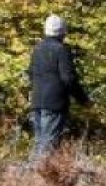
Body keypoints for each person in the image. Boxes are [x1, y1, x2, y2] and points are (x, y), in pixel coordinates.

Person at [28, 14, 89, 158]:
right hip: (55, 104)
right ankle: (43, 177)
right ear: (63, 31)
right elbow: (68, 79)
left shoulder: (37, 49)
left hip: (37, 102)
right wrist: (83, 100)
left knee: (39, 144)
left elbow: (30, 73)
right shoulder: (61, 50)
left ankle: (32, 177)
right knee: (49, 146)